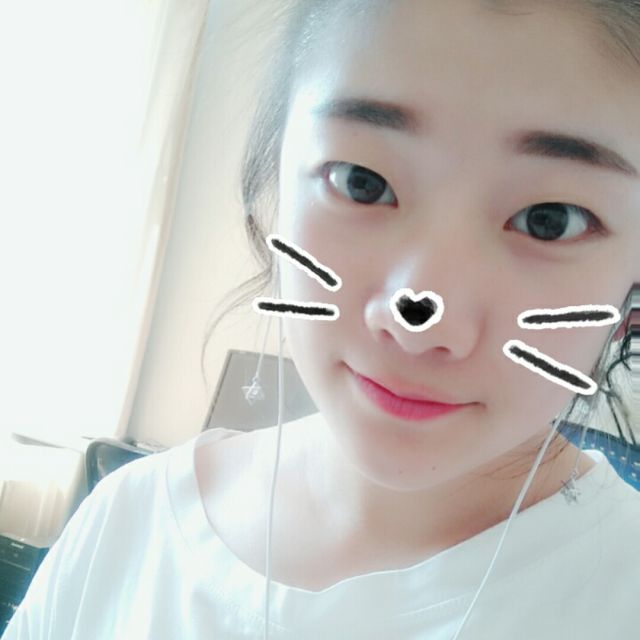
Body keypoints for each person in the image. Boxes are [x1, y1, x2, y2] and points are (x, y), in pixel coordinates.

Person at [3, 1, 640, 638]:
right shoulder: (127, 525)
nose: (420, 319)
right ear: (272, 190)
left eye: (549, 221)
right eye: (362, 182)